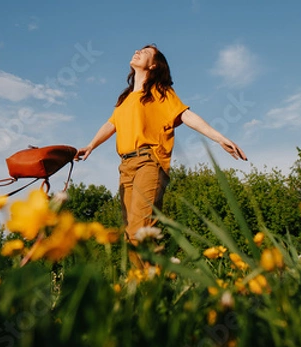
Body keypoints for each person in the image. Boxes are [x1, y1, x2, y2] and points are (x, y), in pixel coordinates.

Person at [76, 44, 247, 267]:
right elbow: (111, 123)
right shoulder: (125, 99)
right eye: (138, 49)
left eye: (146, 52)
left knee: (141, 229)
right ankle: (144, 288)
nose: (138, 51)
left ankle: (152, 287)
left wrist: (220, 138)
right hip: (125, 167)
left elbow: (186, 115)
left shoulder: (160, 92)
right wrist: (90, 146)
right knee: (130, 234)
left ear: (154, 64)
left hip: (149, 162)